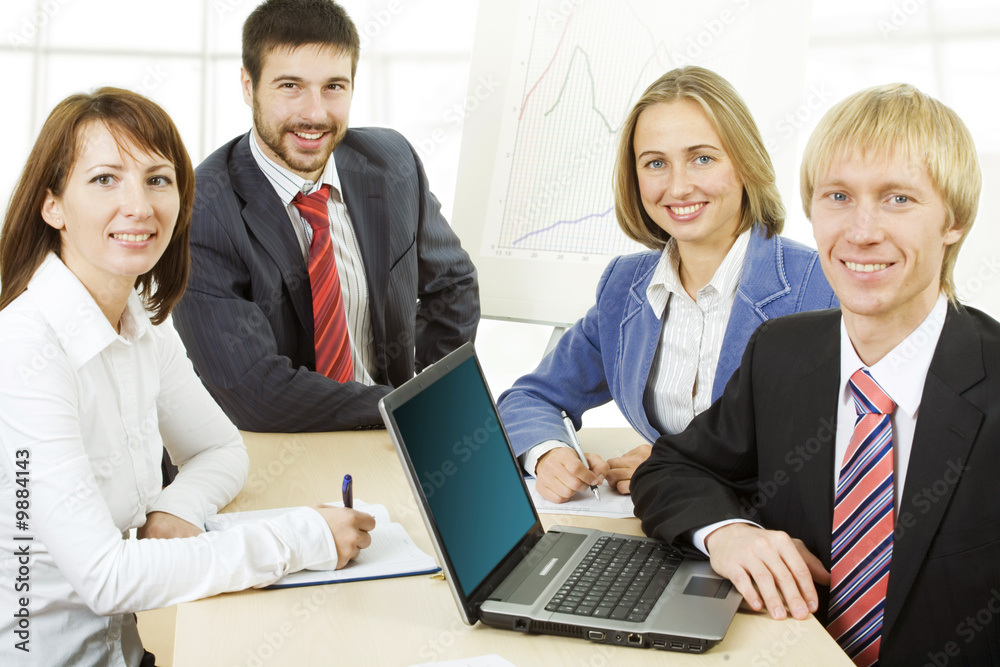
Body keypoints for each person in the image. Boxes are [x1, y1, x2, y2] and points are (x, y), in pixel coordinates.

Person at [0, 88, 375, 667]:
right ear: (52, 206)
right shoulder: (24, 350)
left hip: (127, 651)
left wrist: (177, 509)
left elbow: (221, 449)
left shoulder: (140, 319)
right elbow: (105, 578)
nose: (139, 206)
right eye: (104, 180)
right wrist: (303, 538)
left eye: (158, 179)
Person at [631, 82, 999, 666]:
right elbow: (673, 467)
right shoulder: (782, 351)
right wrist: (729, 534)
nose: (861, 231)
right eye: (837, 197)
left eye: (898, 199)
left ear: (954, 220)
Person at [496, 66, 836, 503]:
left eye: (703, 158)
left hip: (769, 545)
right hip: (657, 530)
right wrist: (550, 453)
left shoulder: (820, 286)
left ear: (745, 163)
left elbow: (836, 453)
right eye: (656, 163)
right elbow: (530, 396)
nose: (678, 186)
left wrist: (675, 467)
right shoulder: (625, 288)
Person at [171, 0, 479, 433]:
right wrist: (406, 407)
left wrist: (434, 394)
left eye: (334, 86)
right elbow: (256, 393)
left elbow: (452, 285)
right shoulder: (202, 213)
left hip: (392, 440)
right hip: (268, 448)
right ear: (248, 85)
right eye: (290, 86)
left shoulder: (392, 164)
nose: (314, 113)